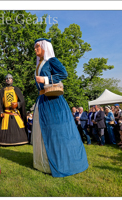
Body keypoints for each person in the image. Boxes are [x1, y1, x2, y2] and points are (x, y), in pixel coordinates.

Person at [32, 38, 88, 177]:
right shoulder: (39, 65)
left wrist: (45, 79)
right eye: (34, 47)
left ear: (45, 47)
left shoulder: (52, 61)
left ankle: (65, 162)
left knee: (58, 131)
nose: (35, 49)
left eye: (37, 46)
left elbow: (64, 74)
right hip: (43, 99)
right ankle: (44, 163)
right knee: (46, 131)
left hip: (54, 100)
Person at [0, 74, 28, 146]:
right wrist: (1, 111)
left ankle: (21, 140)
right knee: (4, 126)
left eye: (10, 78)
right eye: (7, 78)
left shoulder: (16, 89)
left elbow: (22, 101)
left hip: (15, 112)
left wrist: (17, 104)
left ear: (12, 80)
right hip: (6, 113)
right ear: (5, 80)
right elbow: (0, 103)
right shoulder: (2, 91)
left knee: (19, 124)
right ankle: (4, 141)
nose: (8, 79)